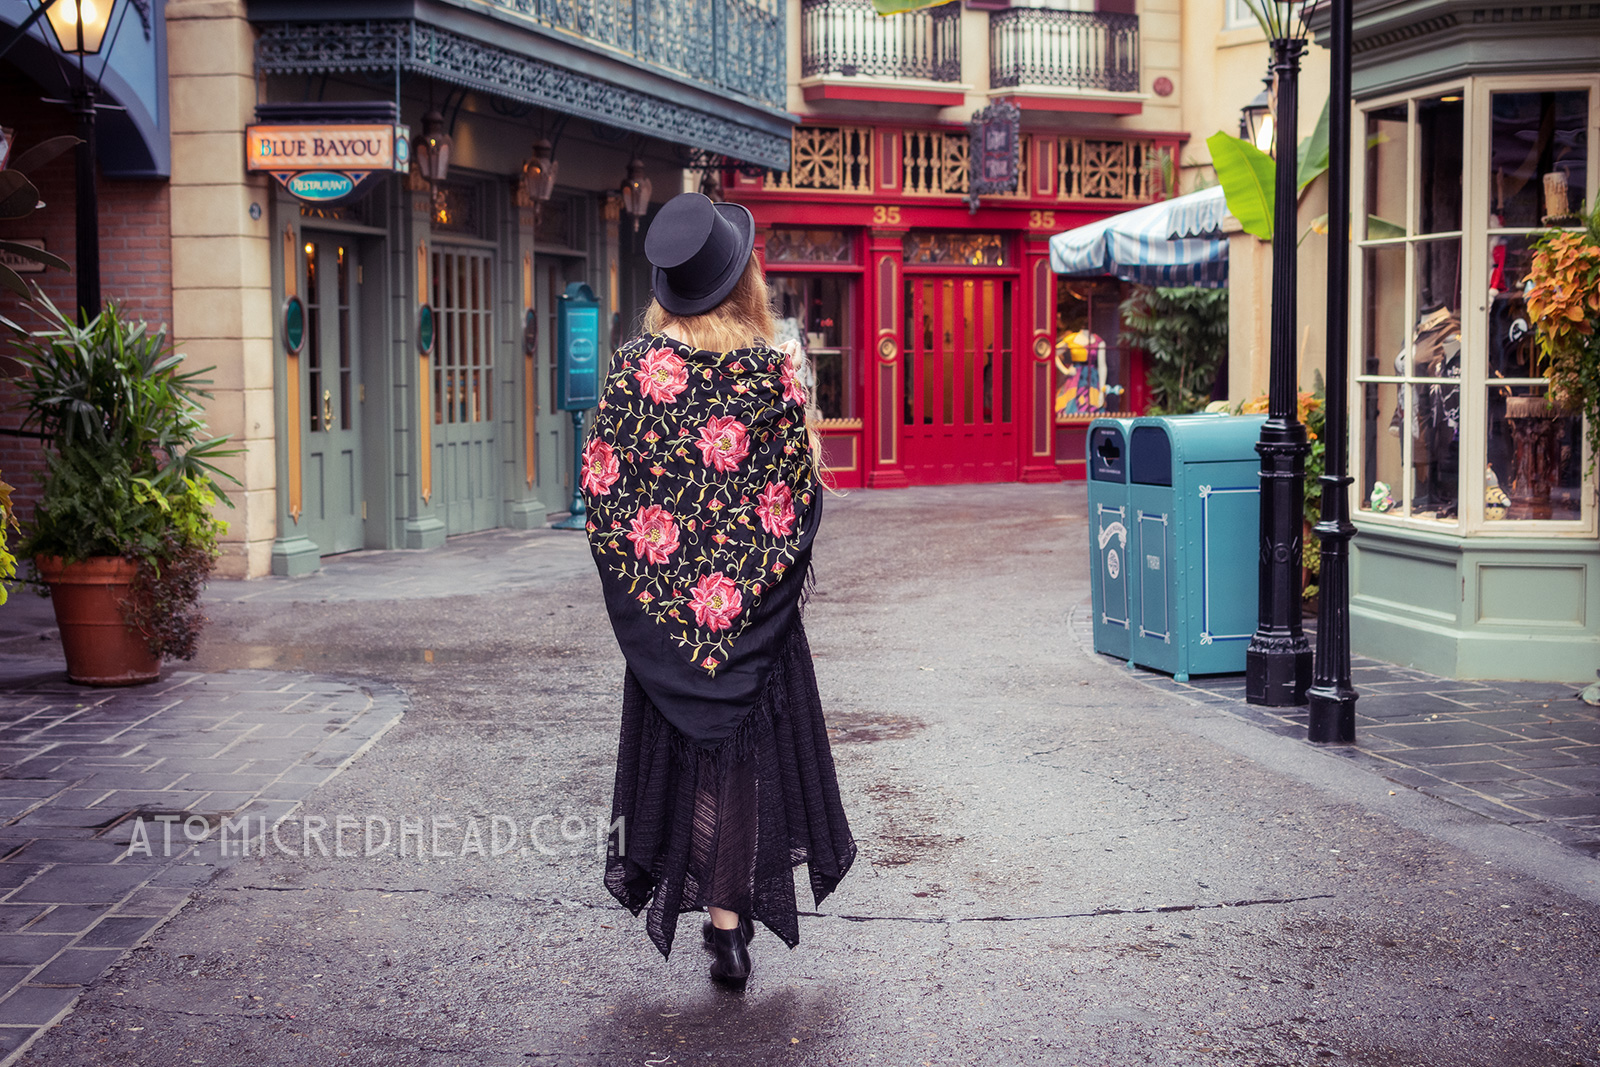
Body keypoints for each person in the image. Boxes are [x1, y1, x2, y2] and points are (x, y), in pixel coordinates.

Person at [580, 192, 857, 992]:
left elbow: (605, 494)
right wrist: (750, 604)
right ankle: (729, 929)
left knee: (680, 761)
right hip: (752, 619)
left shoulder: (635, 371)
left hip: (665, 619)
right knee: (741, 768)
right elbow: (799, 502)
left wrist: (655, 606)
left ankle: (701, 903)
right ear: (743, 282)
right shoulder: (774, 374)